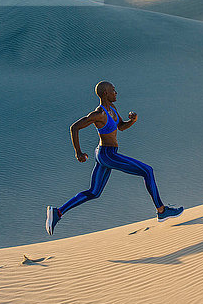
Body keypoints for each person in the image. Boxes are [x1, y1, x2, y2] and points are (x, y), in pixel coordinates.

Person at [45, 81, 183, 235]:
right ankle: (161, 210)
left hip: (105, 154)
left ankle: (58, 213)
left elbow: (121, 126)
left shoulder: (112, 109)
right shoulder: (99, 114)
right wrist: (78, 152)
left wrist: (132, 121)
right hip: (107, 154)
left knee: (94, 192)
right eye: (113, 90)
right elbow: (74, 127)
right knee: (147, 171)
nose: (116, 92)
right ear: (105, 93)